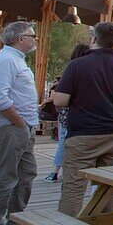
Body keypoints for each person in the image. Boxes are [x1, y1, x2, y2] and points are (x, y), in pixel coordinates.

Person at [51, 22, 113, 222]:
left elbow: (59, 100)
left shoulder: (77, 65)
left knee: (74, 186)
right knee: (110, 184)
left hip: (83, 134)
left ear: (94, 39)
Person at [0, 21, 40, 225]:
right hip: (11, 126)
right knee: (6, 175)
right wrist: (19, 123)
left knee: (26, 173)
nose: (34, 38)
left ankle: (15, 220)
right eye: (31, 35)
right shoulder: (6, 61)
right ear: (19, 38)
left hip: (20, 126)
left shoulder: (14, 60)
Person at [44, 45, 89, 181]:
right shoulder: (85, 72)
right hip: (77, 115)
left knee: (63, 142)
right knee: (72, 144)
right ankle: (64, 171)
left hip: (64, 114)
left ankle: (55, 171)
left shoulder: (69, 71)